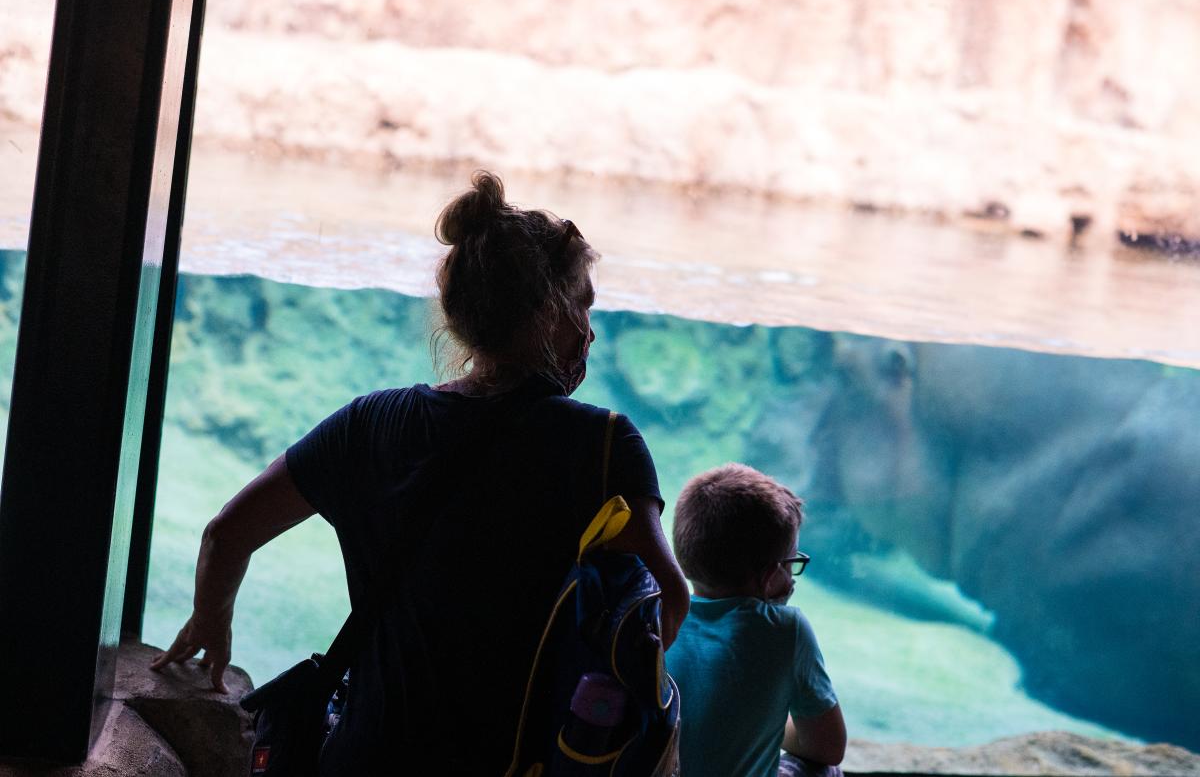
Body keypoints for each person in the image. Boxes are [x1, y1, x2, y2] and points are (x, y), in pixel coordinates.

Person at [150, 170, 690, 775]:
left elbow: (227, 533)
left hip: (364, 758)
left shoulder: (369, 423)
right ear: (546, 313)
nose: (590, 331)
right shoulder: (603, 444)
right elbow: (665, 606)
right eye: (583, 306)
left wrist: (211, 623)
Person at [665, 463, 846, 777]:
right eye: (792, 562)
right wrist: (768, 721)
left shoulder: (658, 617)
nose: (792, 576)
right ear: (772, 575)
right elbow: (828, 746)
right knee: (827, 771)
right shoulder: (788, 630)